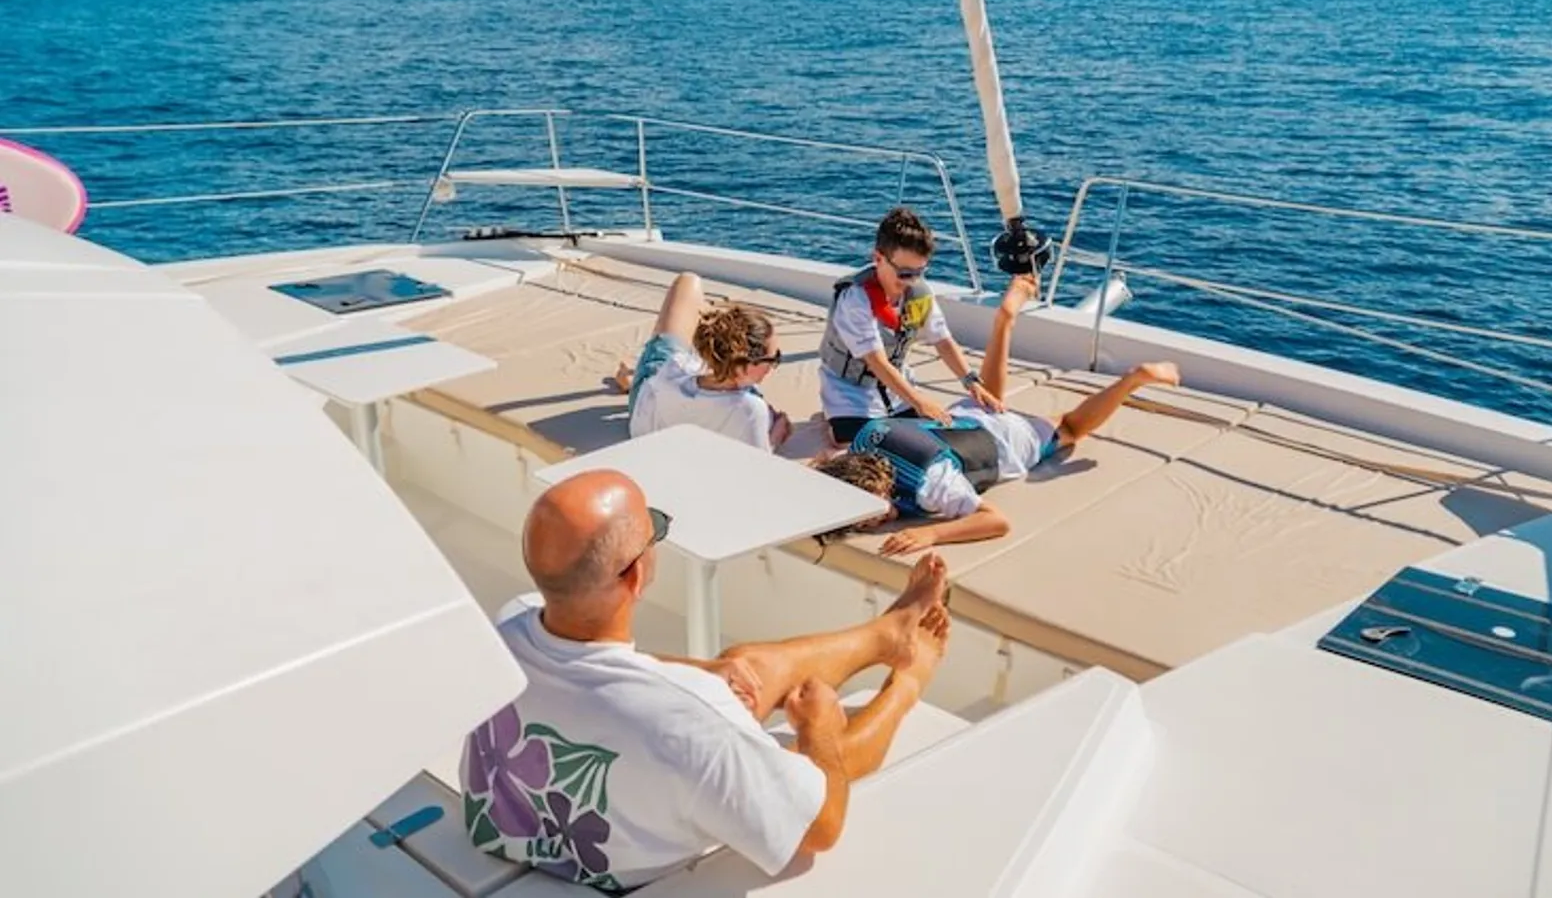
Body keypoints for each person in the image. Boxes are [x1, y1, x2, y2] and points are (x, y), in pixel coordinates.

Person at [458, 470, 952, 891]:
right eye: (654, 528)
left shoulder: (509, 626)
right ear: (634, 576)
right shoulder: (691, 725)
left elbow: (595, 668)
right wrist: (817, 728)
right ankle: (908, 673)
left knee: (741, 664)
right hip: (638, 876)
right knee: (812, 748)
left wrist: (707, 672)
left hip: (510, 835)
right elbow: (820, 828)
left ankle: (888, 633)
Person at [815, 274, 1181, 555]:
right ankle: (1004, 318)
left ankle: (1134, 379)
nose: (882, 520)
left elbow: (996, 520)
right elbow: (831, 460)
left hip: (1007, 440)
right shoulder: (866, 440)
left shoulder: (933, 487)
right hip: (959, 417)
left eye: (877, 515)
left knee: (1070, 428)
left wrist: (931, 533)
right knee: (989, 399)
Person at [817, 207, 1000, 446]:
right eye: (904, 273)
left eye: (919, 272)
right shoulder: (855, 299)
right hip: (851, 389)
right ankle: (836, 418)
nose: (911, 281)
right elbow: (877, 362)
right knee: (857, 442)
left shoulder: (918, 293)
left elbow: (943, 340)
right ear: (878, 258)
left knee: (922, 434)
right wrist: (920, 402)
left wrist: (971, 382)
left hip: (895, 385)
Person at [616, 271, 793, 451]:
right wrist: (776, 435)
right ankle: (630, 379)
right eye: (773, 359)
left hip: (645, 410)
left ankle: (630, 378)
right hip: (650, 391)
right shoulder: (750, 409)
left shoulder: (675, 371)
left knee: (689, 283)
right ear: (741, 367)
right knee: (689, 284)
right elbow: (757, 464)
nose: (773, 366)